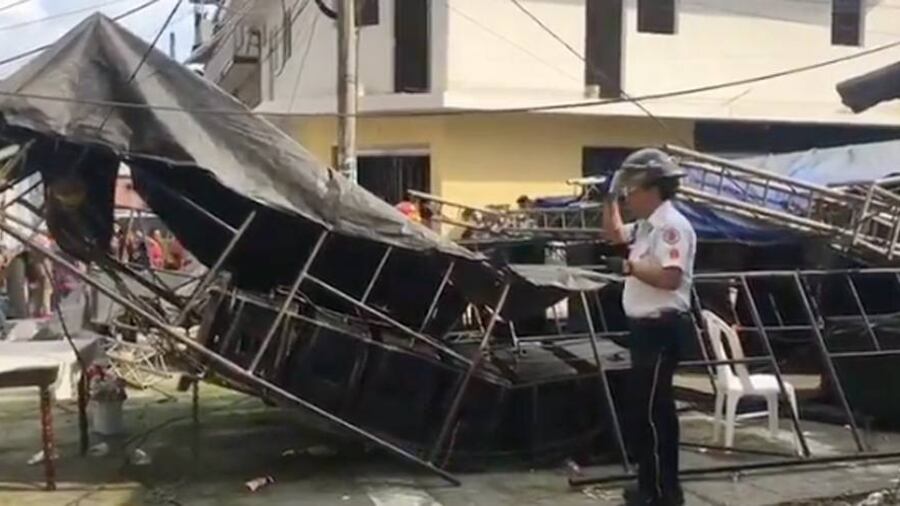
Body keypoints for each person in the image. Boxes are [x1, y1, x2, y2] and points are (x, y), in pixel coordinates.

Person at [601, 148, 696, 506]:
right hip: (645, 329)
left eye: (632, 190)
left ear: (653, 189)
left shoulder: (671, 227)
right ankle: (651, 486)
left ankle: (662, 493)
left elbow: (670, 278)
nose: (629, 197)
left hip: (662, 328)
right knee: (646, 411)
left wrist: (629, 268)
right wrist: (609, 198)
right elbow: (614, 235)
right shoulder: (647, 225)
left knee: (654, 414)